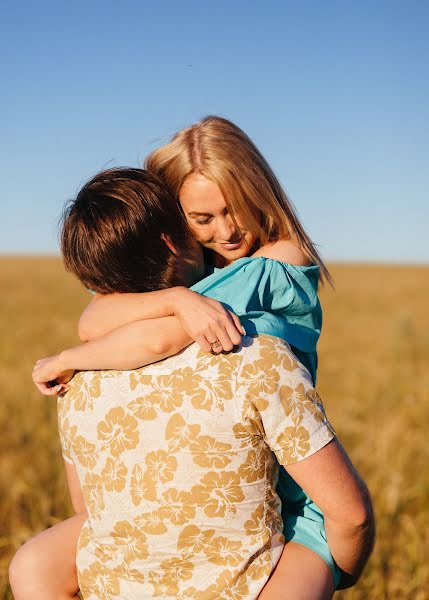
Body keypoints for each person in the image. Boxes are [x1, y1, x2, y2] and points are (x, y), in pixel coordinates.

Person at [10, 167, 374, 599]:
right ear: (172, 238)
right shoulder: (254, 354)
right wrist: (332, 573)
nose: (222, 234)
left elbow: (88, 510)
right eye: (198, 222)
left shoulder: (75, 383)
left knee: (32, 562)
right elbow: (352, 517)